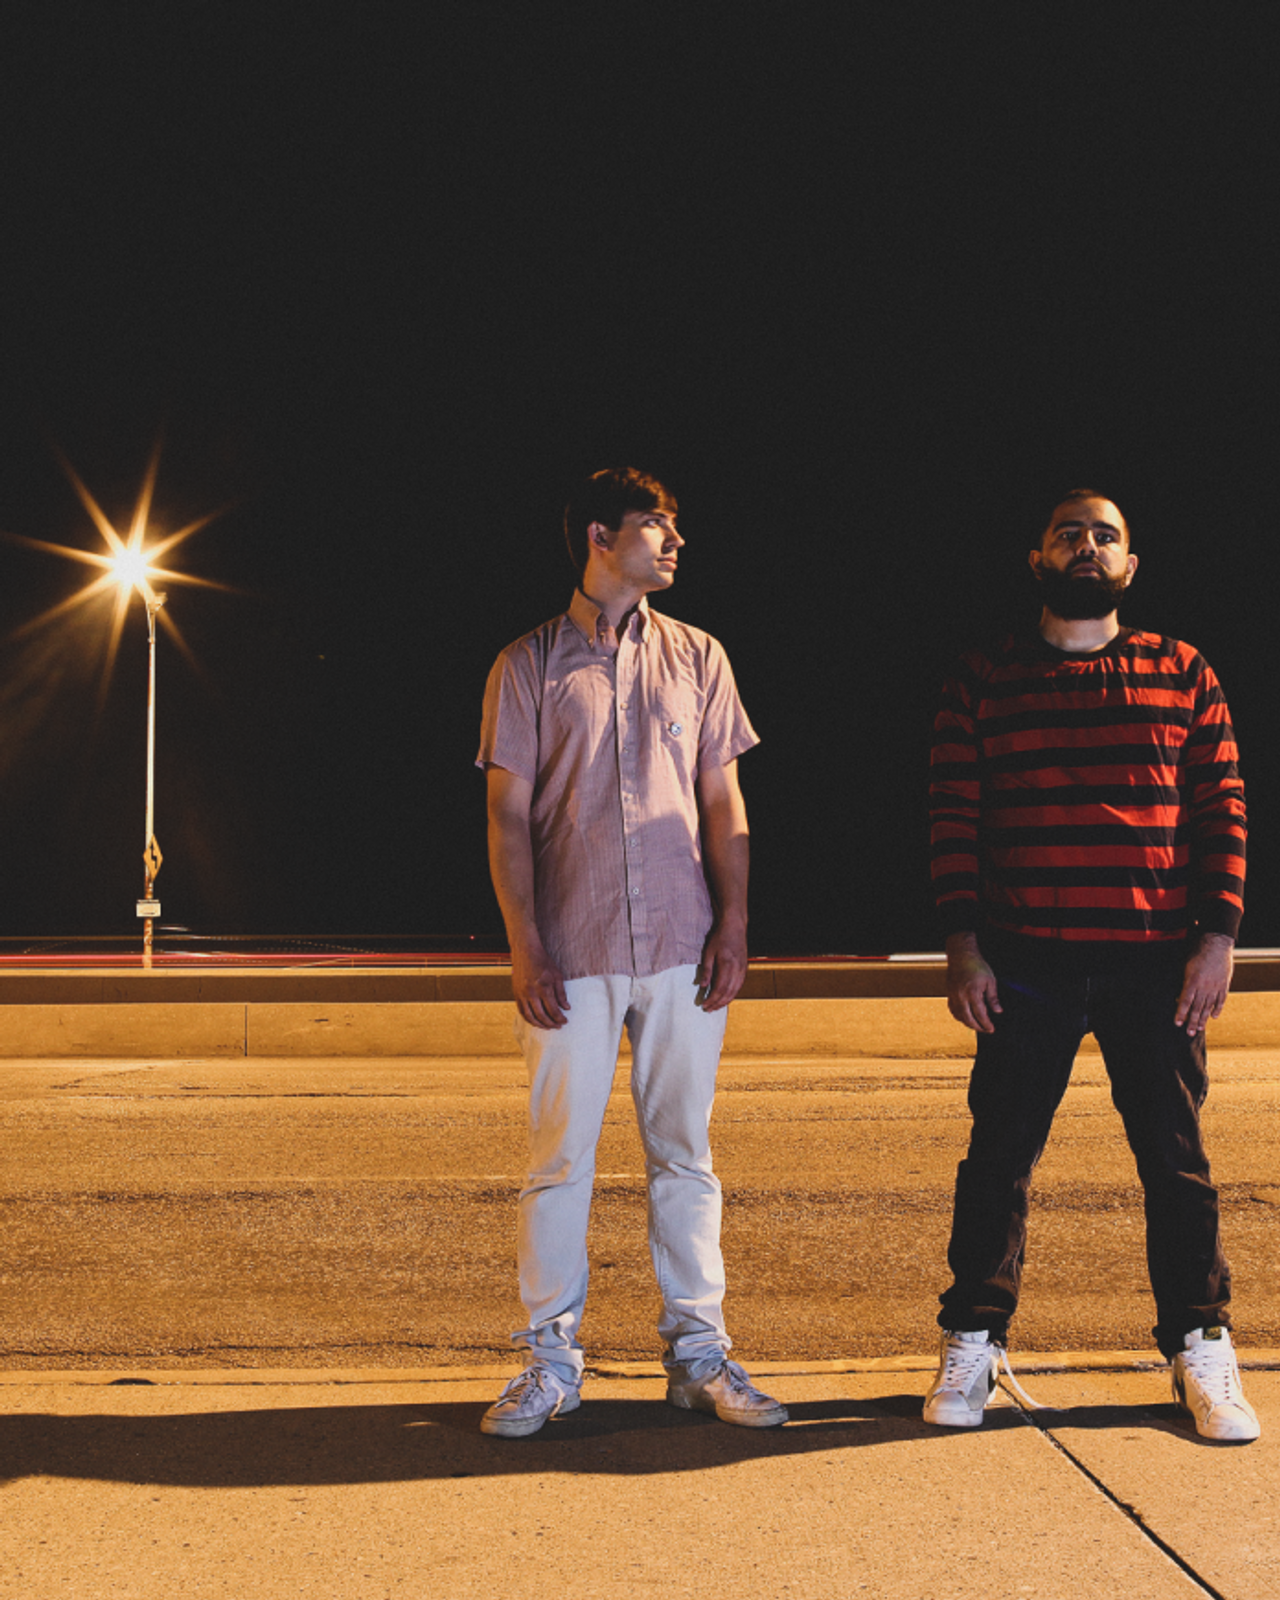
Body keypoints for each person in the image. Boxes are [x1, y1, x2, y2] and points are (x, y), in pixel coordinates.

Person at [924, 488, 1258, 1442]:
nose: (1087, 546)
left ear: (1129, 566)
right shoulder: (984, 676)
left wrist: (1217, 938)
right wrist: (963, 947)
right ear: (1038, 558)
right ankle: (974, 1339)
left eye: (1105, 536)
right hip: (1024, 960)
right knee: (999, 1158)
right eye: (1068, 534)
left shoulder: (1181, 669)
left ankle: (1198, 1344)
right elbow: (953, 816)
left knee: (1176, 1163)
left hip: (1154, 961)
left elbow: (1222, 806)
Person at [474, 466, 787, 1437]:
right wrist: (525, 945)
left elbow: (723, 799)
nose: (675, 540)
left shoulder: (699, 656)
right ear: (600, 536)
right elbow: (506, 816)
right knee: (558, 1161)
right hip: (570, 951)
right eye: (657, 524)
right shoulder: (526, 664)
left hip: (683, 946)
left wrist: (734, 924)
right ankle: (548, 1362)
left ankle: (698, 1358)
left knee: (685, 1158)